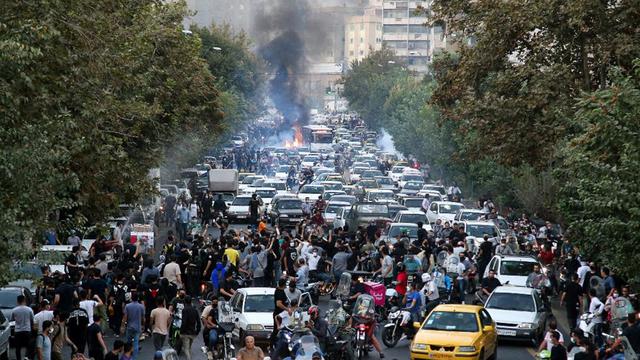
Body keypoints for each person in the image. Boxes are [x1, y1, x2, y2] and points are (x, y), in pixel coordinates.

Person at [121, 292, 145, 360]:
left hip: (129, 326)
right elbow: (143, 318)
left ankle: (127, 357)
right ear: (138, 298)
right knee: (136, 343)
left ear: (131, 298)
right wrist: (143, 325)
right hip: (137, 327)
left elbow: (125, 317)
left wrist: (122, 326)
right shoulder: (141, 306)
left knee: (128, 342)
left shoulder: (128, 306)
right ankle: (134, 358)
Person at [12, 294, 35, 360]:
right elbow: (32, 319)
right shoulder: (29, 309)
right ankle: (27, 357)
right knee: (28, 346)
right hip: (27, 330)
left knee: (18, 347)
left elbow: (12, 319)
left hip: (18, 331)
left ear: (17, 301)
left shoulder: (14, 310)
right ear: (24, 300)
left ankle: (18, 359)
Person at [180, 296, 201, 360]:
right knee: (189, 348)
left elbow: (184, 322)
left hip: (186, 333)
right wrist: (197, 331)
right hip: (192, 333)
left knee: (186, 349)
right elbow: (198, 322)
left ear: (185, 302)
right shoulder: (195, 310)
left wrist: (181, 331)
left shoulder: (184, 310)